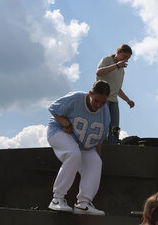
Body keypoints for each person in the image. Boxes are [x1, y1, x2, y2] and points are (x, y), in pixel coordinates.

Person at [47, 81, 111, 216]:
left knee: (95, 162)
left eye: (103, 102)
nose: (99, 105)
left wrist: (96, 157)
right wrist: (65, 122)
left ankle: (83, 203)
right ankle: (57, 198)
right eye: (96, 100)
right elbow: (53, 108)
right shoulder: (76, 98)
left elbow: (99, 139)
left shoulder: (105, 112)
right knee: (73, 154)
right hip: (60, 132)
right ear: (90, 94)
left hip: (83, 143)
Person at [95, 44, 136, 145]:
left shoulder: (122, 70)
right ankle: (100, 145)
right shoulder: (107, 60)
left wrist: (128, 100)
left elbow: (117, 89)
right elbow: (99, 72)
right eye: (124, 56)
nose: (126, 59)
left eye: (128, 58)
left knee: (115, 128)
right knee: (103, 124)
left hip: (114, 101)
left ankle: (113, 147)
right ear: (118, 52)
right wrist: (117, 65)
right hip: (102, 98)